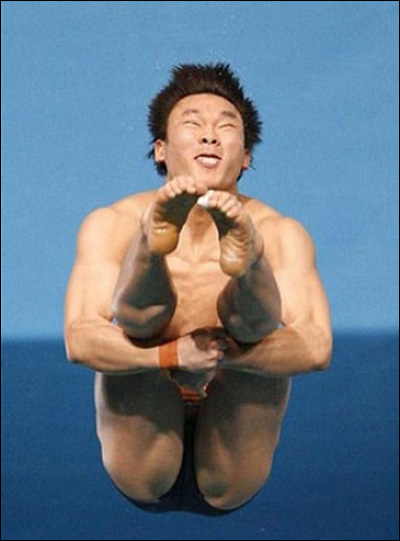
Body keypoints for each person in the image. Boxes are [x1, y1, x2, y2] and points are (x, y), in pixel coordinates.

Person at [64, 63, 332, 515]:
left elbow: (316, 347)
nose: (210, 136)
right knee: (142, 323)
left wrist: (220, 355)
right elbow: (80, 339)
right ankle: (151, 247)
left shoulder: (281, 231)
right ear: (161, 149)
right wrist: (171, 356)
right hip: (142, 450)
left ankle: (248, 265)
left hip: (232, 454)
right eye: (193, 124)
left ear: (245, 157)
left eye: (226, 127)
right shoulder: (111, 223)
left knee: (252, 328)